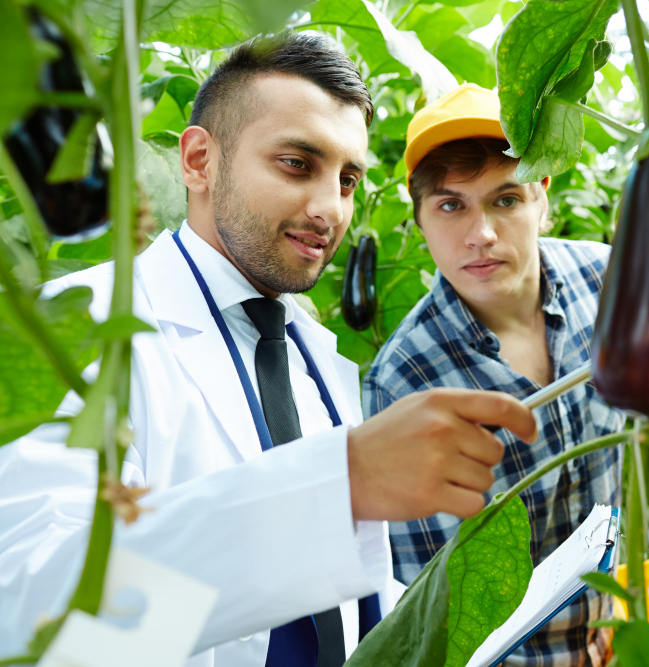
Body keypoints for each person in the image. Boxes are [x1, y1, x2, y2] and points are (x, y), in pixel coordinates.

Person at [0, 35, 538, 667]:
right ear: (199, 161)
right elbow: (39, 624)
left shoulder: (310, 353)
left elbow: (331, 605)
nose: (328, 209)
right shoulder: (69, 332)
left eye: (347, 179)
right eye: (295, 164)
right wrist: (343, 486)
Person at [363, 84, 624, 667]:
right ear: (421, 221)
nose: (479, 234)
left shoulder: (605, 284)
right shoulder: (405, 379)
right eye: (451, 205)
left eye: (505, 200)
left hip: (616, 636)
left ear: (542, 198)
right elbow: (430, 608)